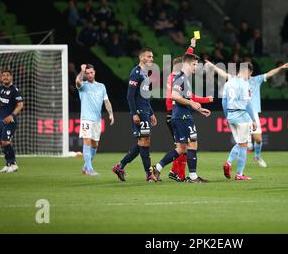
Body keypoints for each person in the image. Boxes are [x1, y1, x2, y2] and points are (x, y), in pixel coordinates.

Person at [206, 60, 288, 167]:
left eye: (247, 71)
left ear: (251, 72)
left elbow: (270, 73)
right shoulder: (235, 80)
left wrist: (281, 68)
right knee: (243, 143)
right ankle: (232, 165)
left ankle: (257, 156)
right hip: (240, 113)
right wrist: (213, 66)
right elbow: (223, 74)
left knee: (258, 139)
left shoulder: (256, 80)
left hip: (252, 112)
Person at [150, 53, 211, 183]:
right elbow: (174, 96)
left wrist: (199, 109)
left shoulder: (184, 79)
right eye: (194, 64)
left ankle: (157, 168)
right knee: (192, 144)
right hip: (182, 117)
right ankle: (193, 176)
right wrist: (192, 103)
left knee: (181, 148)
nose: (196, 67)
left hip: (179, 116)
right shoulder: (181, 78)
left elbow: (186, 99)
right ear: (187, 64)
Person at [166, 38, 213, 182]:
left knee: (182, 146)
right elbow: (186, 96)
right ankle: (172, 171)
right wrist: (204, 100)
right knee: (183, 147)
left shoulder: (178, 76)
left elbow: (187, 58)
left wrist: (192, 46)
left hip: (177, 111)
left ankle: (176, 173)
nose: (193, 67)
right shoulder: (176, 77)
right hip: (175, 112)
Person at [112, 49, 157, 181]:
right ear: (142, 58)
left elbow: (145, 97)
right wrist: (134, 113)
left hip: (146, 111)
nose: (151, 59)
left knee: (143, 141)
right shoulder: (136, 72)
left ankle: (120, 166)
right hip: (140, 112)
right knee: (145, 141)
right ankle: (149, 174)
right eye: (149, 56)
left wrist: (152, 113)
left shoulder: (146, 74)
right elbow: (129, 96)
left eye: (152, 56)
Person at [76, 64, 114, 175]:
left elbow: (106, 101)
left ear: (94, 72)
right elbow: (77, 81)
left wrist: (110, 113)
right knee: (86, 140)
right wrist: (82, 71)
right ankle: (89, 169)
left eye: (91, 72)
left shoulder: (101, 86)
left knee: (95, 144)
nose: (89, 75)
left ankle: (85, 167)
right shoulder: (83, 86)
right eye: (87, 73)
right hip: (86, 119)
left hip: (97, 120)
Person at [222, 63, 258, 181]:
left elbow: (224, 102)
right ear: (246, 71)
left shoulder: (228, 83)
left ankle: (236, 171)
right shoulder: (244, 84)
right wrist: (253, 120)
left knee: (240, 143)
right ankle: (236, 170)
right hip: (242, 116)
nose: (249, 76)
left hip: (231, 115)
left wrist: (227, 117)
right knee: (243, 144)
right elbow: (248, 104)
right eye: (250, 74)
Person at [0, 69, 24, 173]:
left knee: (6, 141)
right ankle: (8, 164)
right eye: (4, 75)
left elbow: (20, 105)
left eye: (7, 75)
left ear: (11, 77)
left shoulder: (14, 90)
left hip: (10, 120)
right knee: (3, 142)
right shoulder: (0, 88)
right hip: (1, 120)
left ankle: (14, 164)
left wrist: (12, 115)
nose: (5, 77)